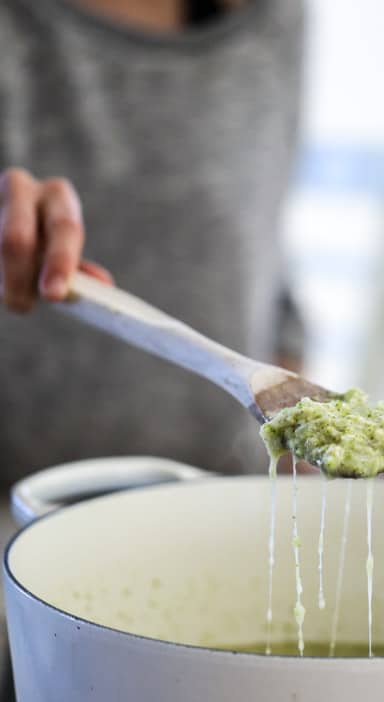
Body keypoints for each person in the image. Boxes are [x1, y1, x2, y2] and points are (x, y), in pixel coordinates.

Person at [0, 0, 304, 487]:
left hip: (222, 499)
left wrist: (314, 459)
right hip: (22, 510)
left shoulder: (278, 19)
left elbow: (264, 260)